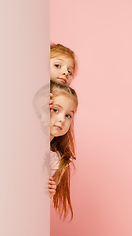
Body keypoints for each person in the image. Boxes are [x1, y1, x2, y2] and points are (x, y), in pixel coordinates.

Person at [48, 80, 78, 221]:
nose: (62, 119)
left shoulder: (56, 159)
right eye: (55, 110)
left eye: (68, 115)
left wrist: (48, 190)